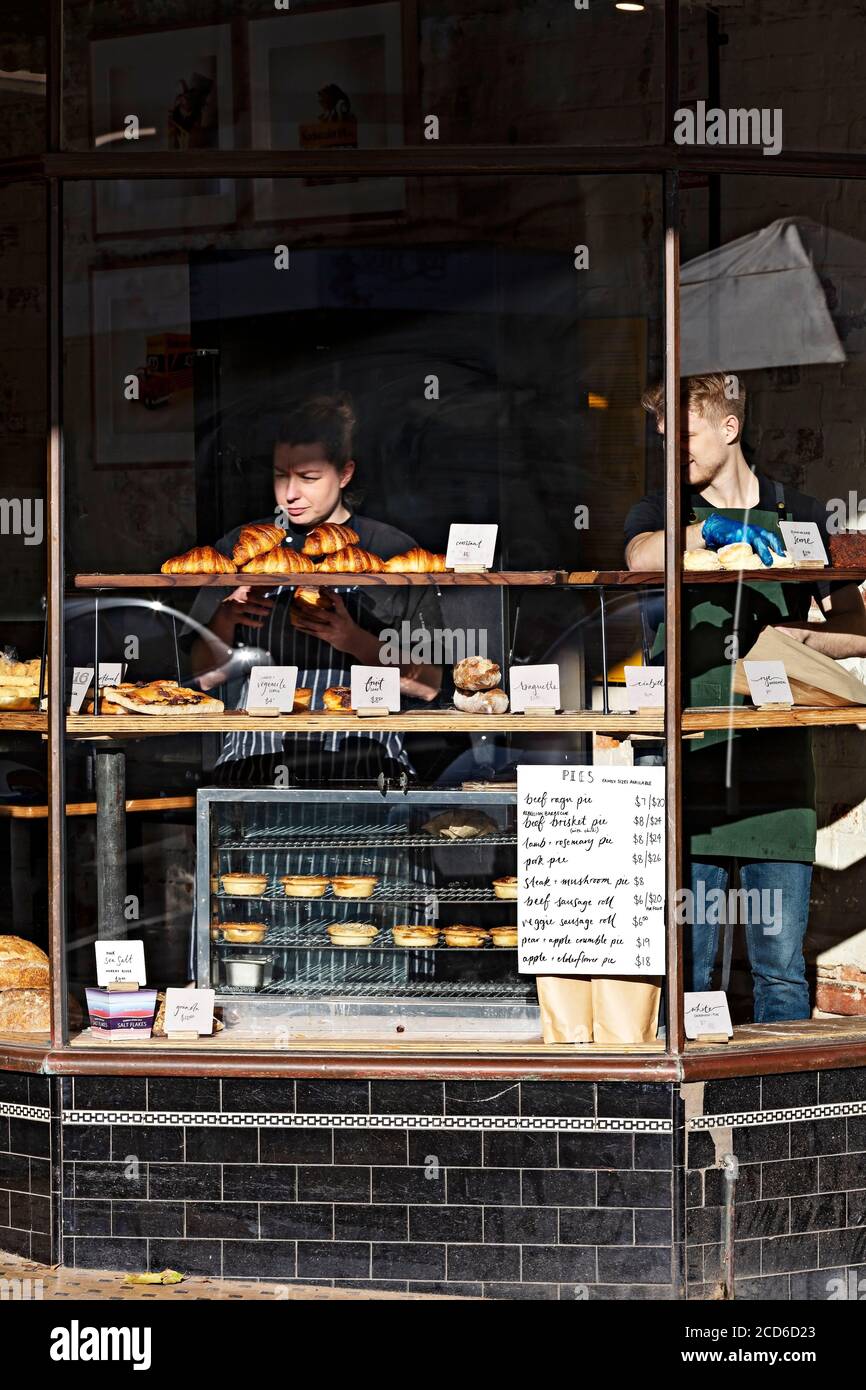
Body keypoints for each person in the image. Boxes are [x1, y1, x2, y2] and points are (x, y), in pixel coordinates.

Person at [624, 373, 866, 1022]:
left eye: (687, 437)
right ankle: (686, 1124)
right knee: (691, 975)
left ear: (730, 429)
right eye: (665, 441)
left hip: (777, 773)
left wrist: (788, 639)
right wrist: (712, 535)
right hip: (689, 772)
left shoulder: (804, 513)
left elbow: (855, 631)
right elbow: (644, 557)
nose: (674, 453)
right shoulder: (662, 512)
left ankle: (779, 1122)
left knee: (781, 974)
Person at [188, 394, 442, 785]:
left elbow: (429, 685)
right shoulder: (241, 550)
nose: (290, 494)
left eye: (308, 478)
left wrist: (353, 640)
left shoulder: (392, 553)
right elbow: (202, 678)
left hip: (365, 765)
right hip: (255, 764)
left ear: (345, 474)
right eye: (279, 475)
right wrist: (225, 618)